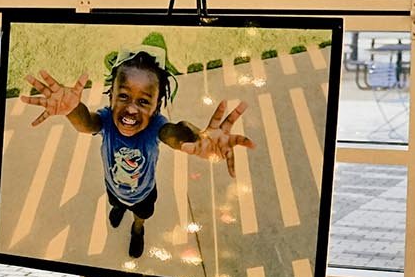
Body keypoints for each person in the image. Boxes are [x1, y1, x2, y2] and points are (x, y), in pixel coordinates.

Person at [21, 34, 254, 258]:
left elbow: (175, 133)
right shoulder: (105, 119)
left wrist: (198, 139)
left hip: (144, 193)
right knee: (115, 202)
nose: (132, 108)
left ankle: (137, 228)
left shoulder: (156, 127)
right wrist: (71, 109)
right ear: (110, 96)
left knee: (141, 214)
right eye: (123, 96)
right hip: (113, 186)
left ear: (157, 107)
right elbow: (86, 124)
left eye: (144, 101)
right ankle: (119, 208)